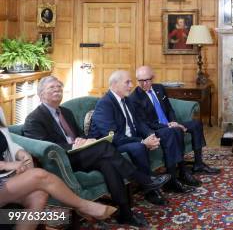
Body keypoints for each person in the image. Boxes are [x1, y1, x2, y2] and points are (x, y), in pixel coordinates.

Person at [22, 76, 169, 227]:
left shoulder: (66, 112)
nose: (57, 90)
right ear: (41, 94)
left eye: (59, 87)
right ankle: (143, 179)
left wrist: (85, 140)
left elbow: (80, 134)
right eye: (52, 87)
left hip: (81, 155)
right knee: (104, 147)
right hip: (62, 161)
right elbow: (42, 147)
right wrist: (72, 146)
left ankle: (125, 213)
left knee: (108, 163)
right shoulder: (34, 119)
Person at [0, 107, 116, 229]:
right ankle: (83, 206)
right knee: (40, 175)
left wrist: (21, 152)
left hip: (6, 178)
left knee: (39, 196)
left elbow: (7, 141)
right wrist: (7, 165)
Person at [89, 70, 168, 206]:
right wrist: (143, 142)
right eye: (127, 82)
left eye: (131, 82)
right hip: (110, 145)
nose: (131, 85)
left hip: (128, 138)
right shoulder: (105, 103)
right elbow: (113, 136)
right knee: (139, 147)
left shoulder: (127, 100)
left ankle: (162, 180)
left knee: (162, 135)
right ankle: (150, 189)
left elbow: (138, 123)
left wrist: (150, 135)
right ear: (114, 84)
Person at [130, 66, 220, 178]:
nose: (144, 84)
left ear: (152, 78)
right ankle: (181, 171)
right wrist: (169, 125)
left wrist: (173, 121)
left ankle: (198, 164)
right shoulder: (134, 98)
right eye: (140, 81)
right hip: (157, 128)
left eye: (147, 80)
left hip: (170, 123)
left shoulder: (159, 88)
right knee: (176, 130)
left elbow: (169, 109)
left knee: (196, 124)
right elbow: (145, 123)